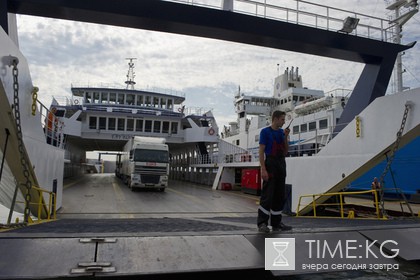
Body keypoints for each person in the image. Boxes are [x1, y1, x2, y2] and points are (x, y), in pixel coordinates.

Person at [257, 110, 292, 233]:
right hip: (270, 164)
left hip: (281, 164)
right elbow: (261, 151)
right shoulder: (265, 132)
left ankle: (277, 223)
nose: (284, 122)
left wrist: (286, 137)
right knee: (267, 195)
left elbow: (285, 151)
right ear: (276, 119)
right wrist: (263, 168)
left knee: (279, 195)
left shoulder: (283, 133)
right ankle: (262, 223)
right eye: (282, 119)